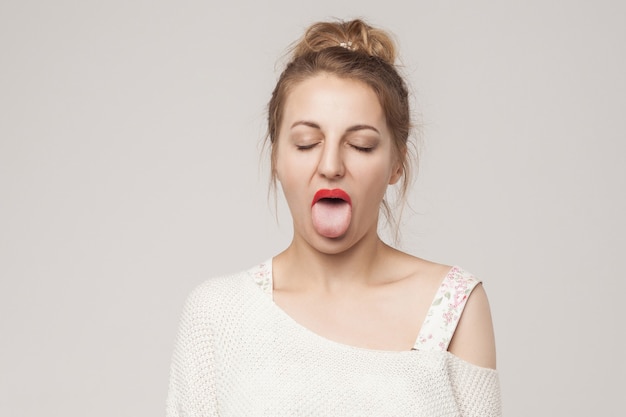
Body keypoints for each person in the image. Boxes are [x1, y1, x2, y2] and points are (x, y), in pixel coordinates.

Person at [167, 18, 501, 416]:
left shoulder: (453, 304)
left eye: (360, 145)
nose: (330, 166)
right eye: (307, 143)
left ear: (396, 163)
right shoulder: (217, 314)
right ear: (276, 156)